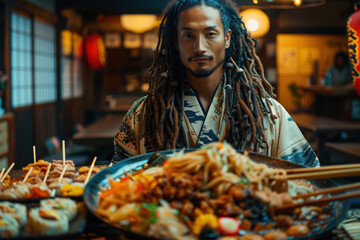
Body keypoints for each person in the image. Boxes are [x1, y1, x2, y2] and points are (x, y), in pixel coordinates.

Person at [113, 0, 319, 167]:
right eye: (188, 36)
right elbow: (118, 185)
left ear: (227, 38)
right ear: (176, 42)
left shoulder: (269, 114)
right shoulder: (144, 113)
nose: (200, 47)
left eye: (210, 34)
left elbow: (305, 184)